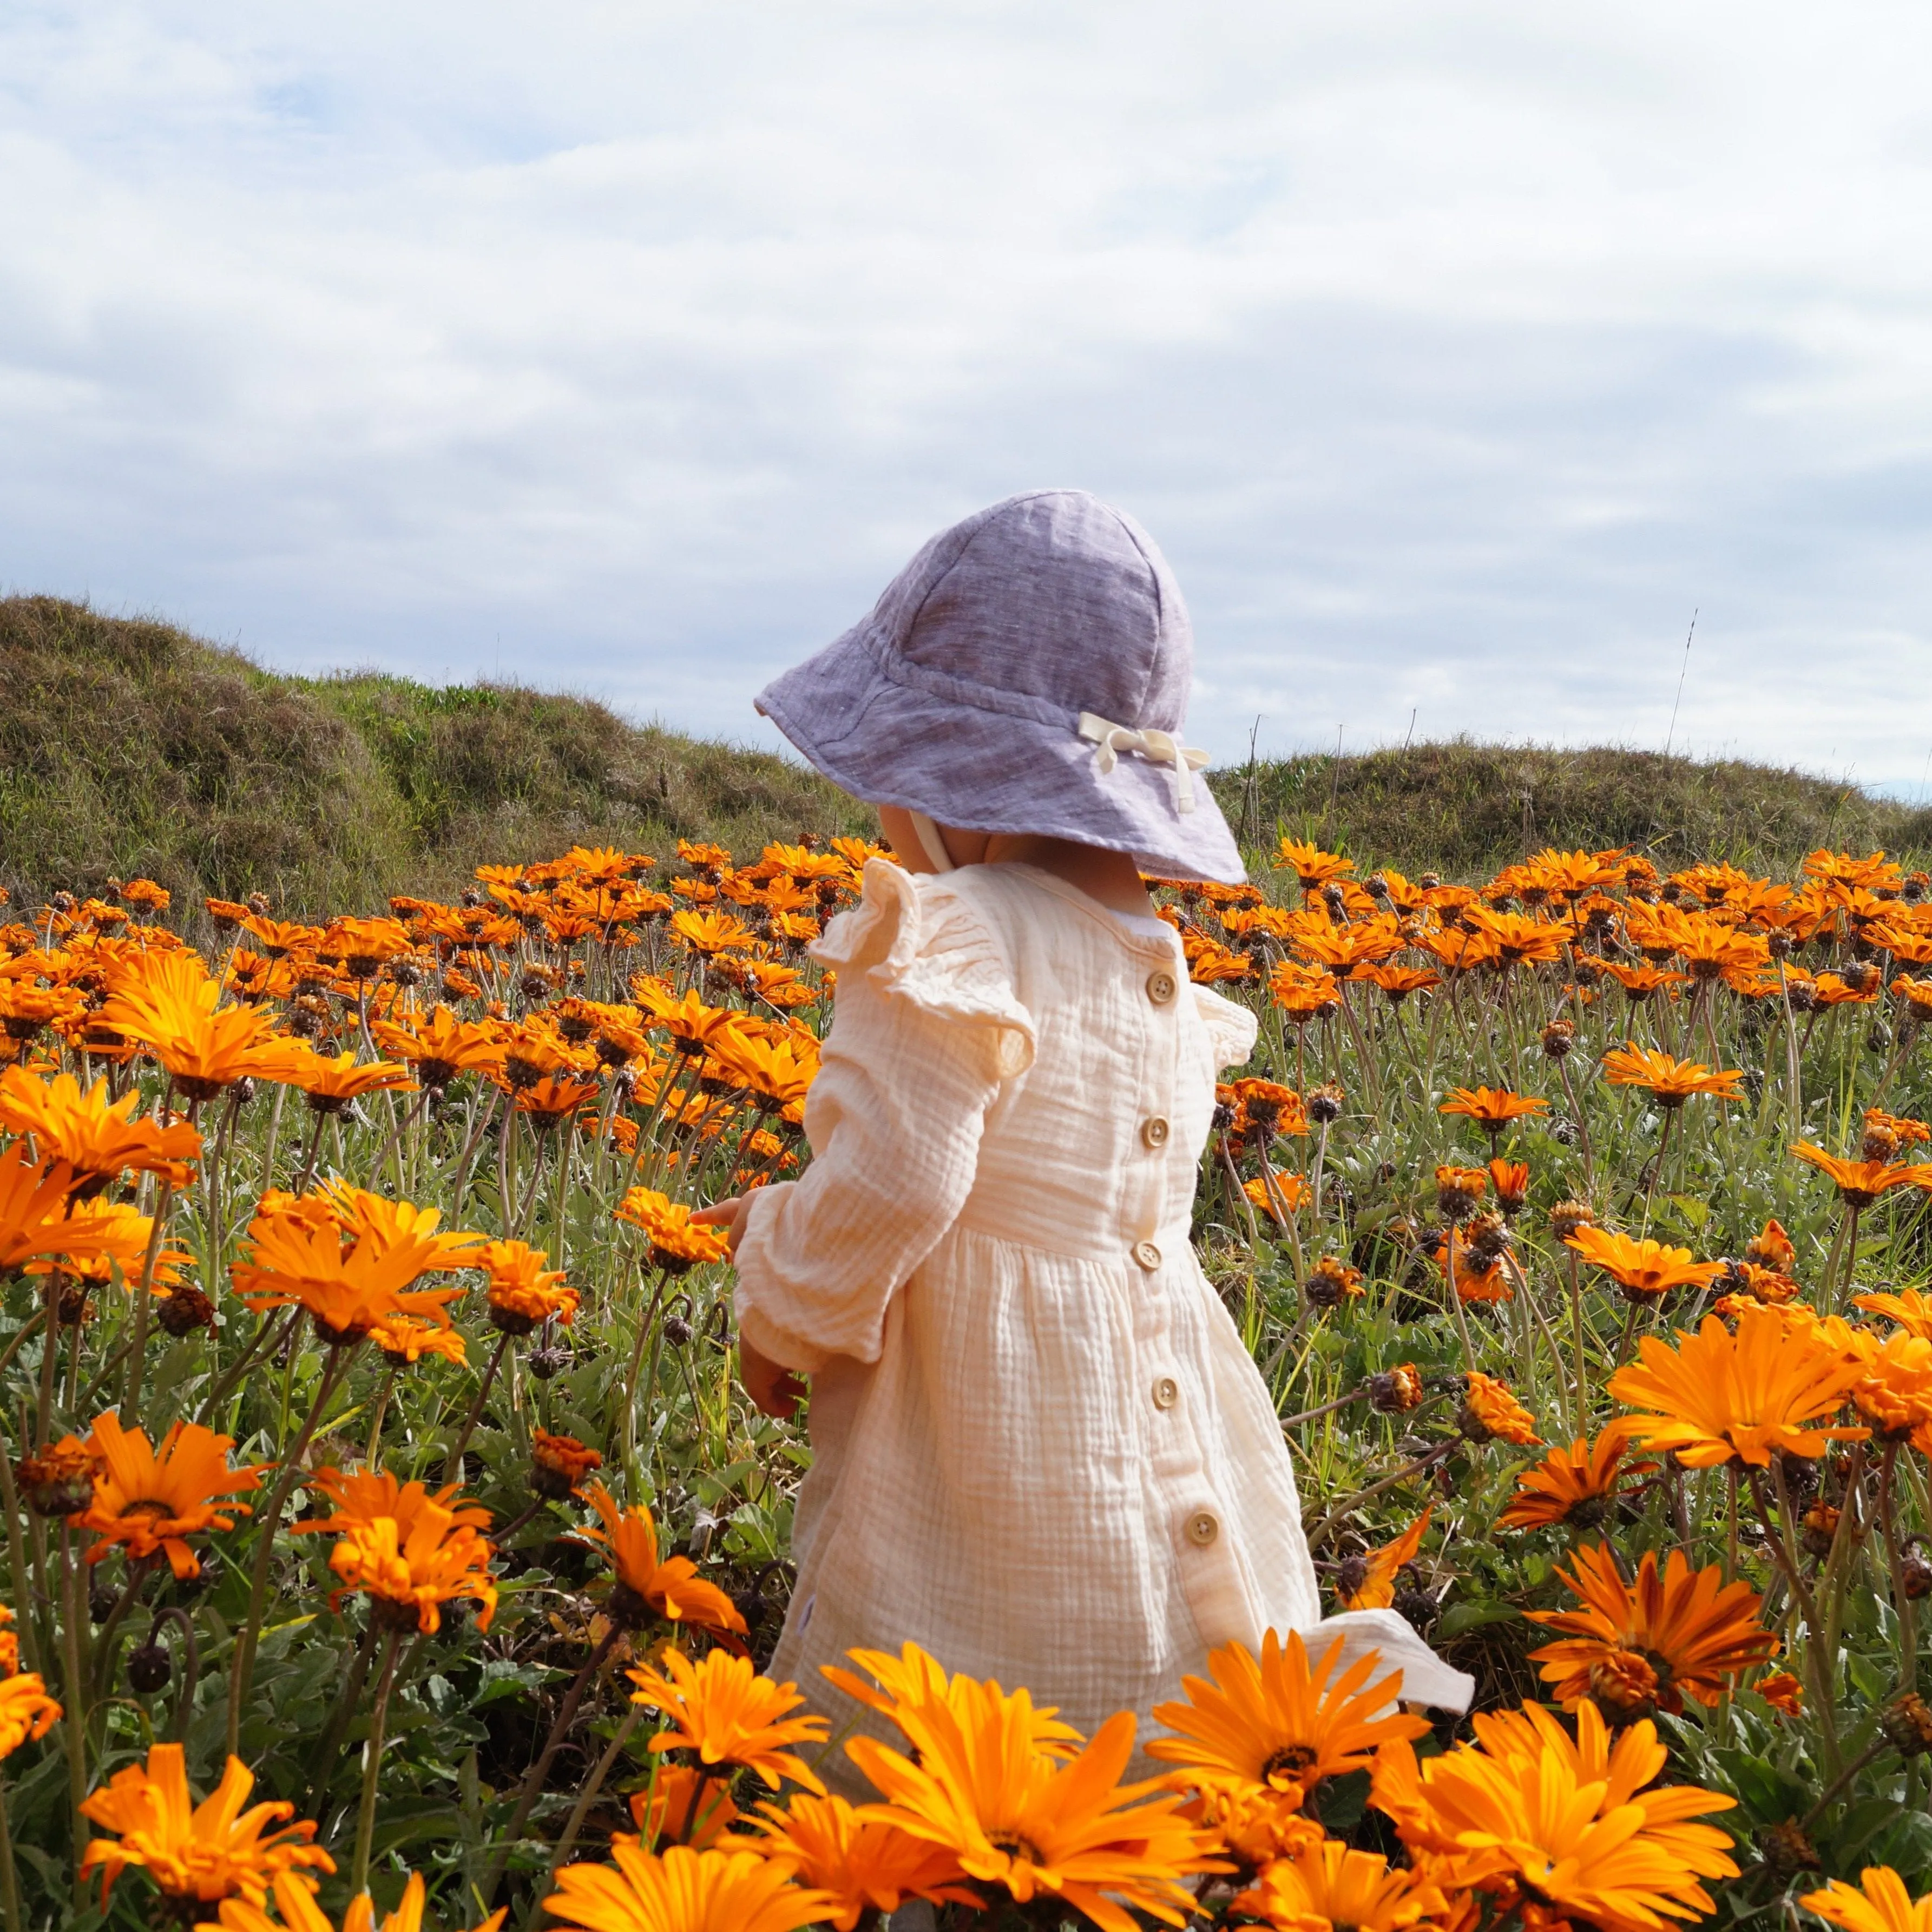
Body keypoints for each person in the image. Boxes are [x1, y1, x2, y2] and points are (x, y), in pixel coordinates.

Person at [693, 489, 1472, 1798]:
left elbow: (896, 1183)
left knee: (956, 1699)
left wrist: (782, 1297)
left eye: (891, 788)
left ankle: (948, 1854)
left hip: (981, 1421)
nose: (883, 822)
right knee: (1152, 1657)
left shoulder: (954, 934)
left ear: (965, 799)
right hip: (1150, 1368)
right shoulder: (1158, 965)